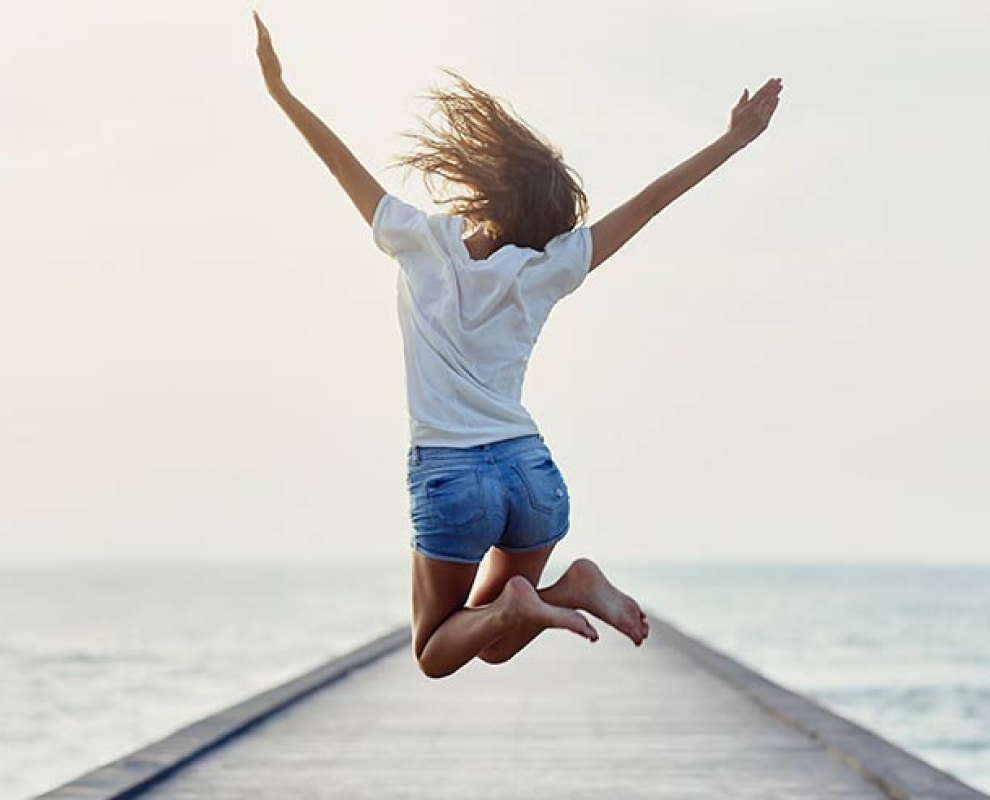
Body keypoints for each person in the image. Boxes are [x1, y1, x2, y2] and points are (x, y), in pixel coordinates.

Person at [253, 11, 782, 679]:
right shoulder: (546, 270)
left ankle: (535, 603)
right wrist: (733, 140)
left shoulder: (419, 240)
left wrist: (281, 92)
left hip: (451, 474)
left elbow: (338, 162)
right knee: (495, 636)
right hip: (530, 475)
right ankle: (567, 590)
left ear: (487, 188)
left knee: (436, 651)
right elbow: (649, 204)